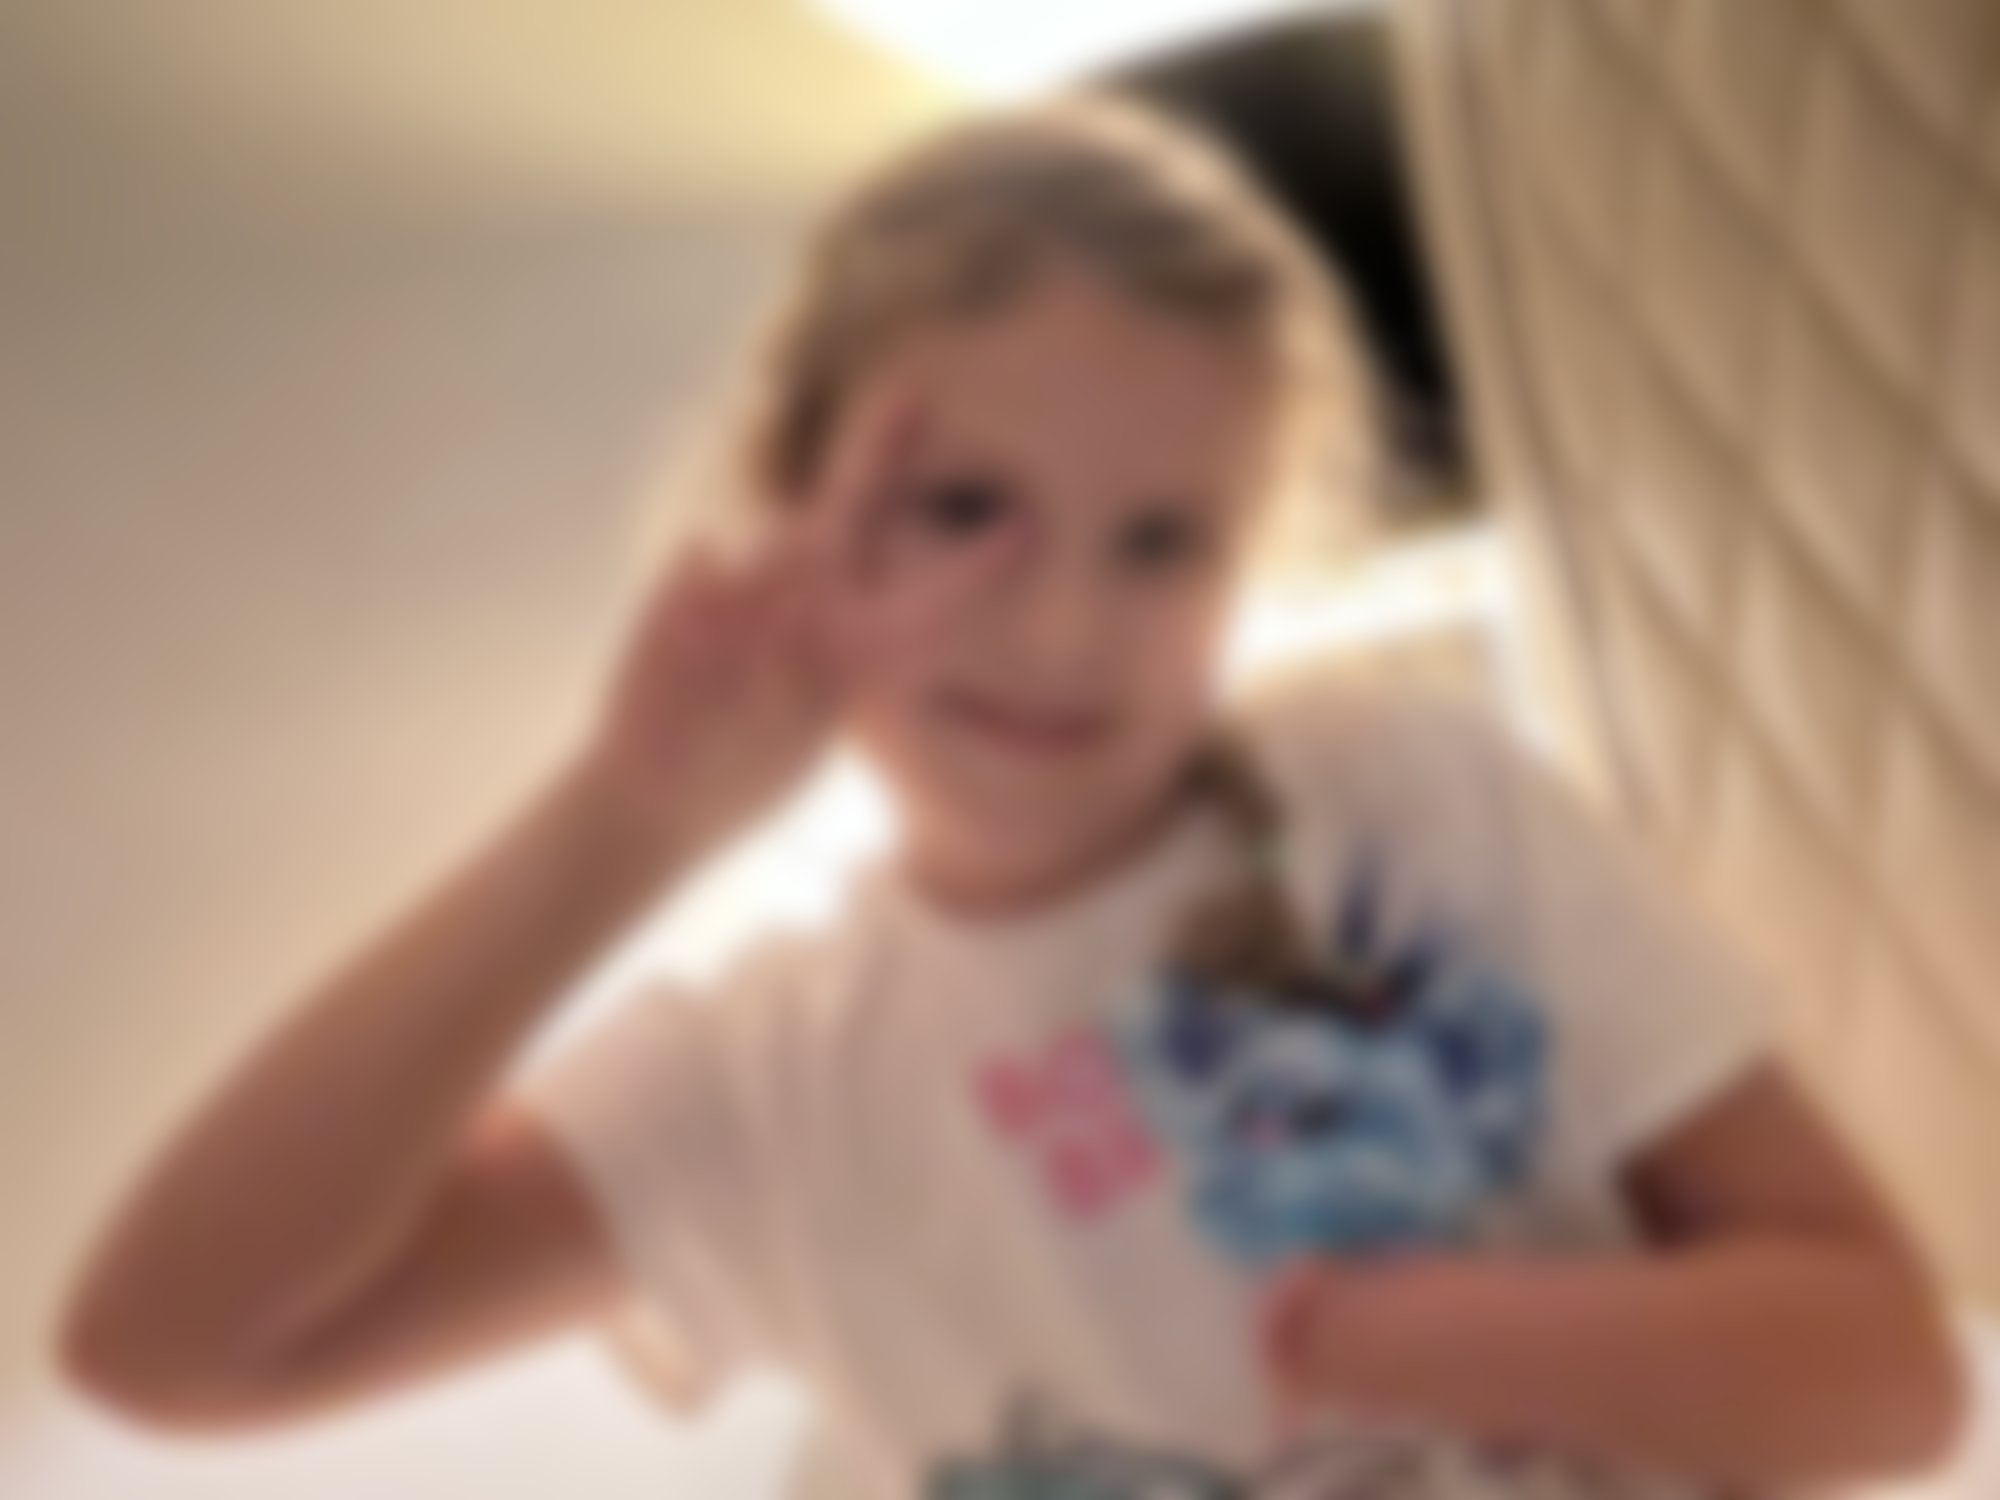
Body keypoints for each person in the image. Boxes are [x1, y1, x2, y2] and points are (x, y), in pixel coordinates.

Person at [57, 96, 1966, 1499]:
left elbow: (1889, 1379)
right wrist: (619, 825)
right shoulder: (758, 1078)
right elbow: (167, 1356)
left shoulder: (1402, 802)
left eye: (1162, 541)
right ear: (790, 502)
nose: (1062, 628)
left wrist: (1412, 1340)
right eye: (965, 509)